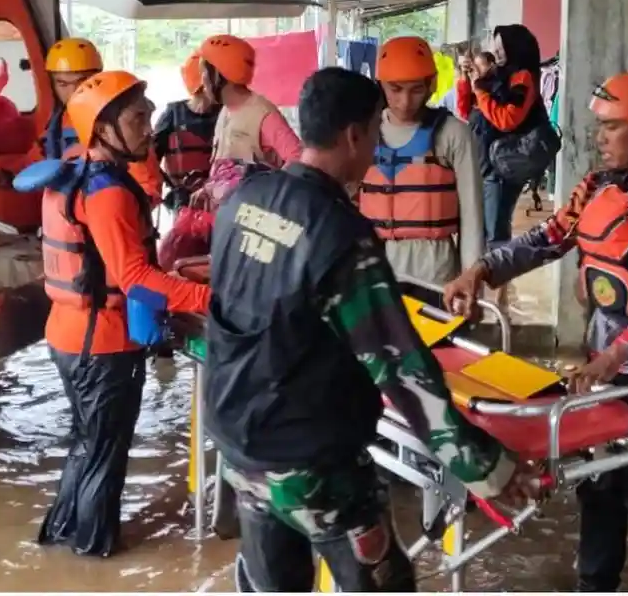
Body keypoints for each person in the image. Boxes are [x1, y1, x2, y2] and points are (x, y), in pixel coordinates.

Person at [204, 67, 538, 593]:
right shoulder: (338, 235)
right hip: (313, 462)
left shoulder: (243, 201)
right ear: (354, 134)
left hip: (240, 448)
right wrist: (487, 470)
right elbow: (401, 368)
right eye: (377, 129)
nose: (380, 143)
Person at [444, 70, 628, 592]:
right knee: (598, 489)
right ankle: (596, 585)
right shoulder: (596, 187)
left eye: (613, 128)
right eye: (601, 127)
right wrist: (483, 269)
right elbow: (547, 237)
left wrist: (616, 356)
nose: (599, 137)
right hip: (601, 369)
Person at [34, 70, 210, 558]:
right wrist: (207, 300)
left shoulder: (76, 173)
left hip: (71, 336)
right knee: (104, 454)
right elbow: (135, 278)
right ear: (102, 128)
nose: (149, 125)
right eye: (137, 117)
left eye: (149, 113)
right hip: (102, 344)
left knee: (87, 446)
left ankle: (59, 541)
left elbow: (118, 255)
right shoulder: (108, 193)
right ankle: (94, 556)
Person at [359, 36, 485, 284]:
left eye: (416, 89)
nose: (405, 102)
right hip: (372, 267)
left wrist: (471, 279)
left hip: (435, 269)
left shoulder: (454, 134)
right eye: (395, 89)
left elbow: (472, 216)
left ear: (431, 84)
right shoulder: (362, 132)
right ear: (380, 84)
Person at [34, 37, 164, 207]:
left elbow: (148, 187)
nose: (74, 91)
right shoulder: (56, 124)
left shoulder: (119, 124)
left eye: (82, 81)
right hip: (67, 218)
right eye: (62, 83)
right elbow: (39, 160)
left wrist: (118, 209)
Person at [468, 26, 553, 249]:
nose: (496, 52)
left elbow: (507, 119)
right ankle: (492, 276)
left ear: (515, 47)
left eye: (501, 46)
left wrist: (479, 91)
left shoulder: (522, 78)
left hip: (503, 166)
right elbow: (466, 107)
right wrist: (469, 81)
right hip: (489, 163)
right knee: (486, 228)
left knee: (495, 231)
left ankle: (497, 278)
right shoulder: (498, 77)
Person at [200, 33, 301, 169]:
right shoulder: (225, 111)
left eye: (204, 72)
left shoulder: (263, 115)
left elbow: (298, 158)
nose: (202, 80)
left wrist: (273, 186)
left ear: (218, 76)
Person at [153, 52, 220, 213]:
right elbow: (150, 157)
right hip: (183, 200)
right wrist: (170, 189)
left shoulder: (225, 114)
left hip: (217, 198)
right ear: (204, 84)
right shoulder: (173, 114)